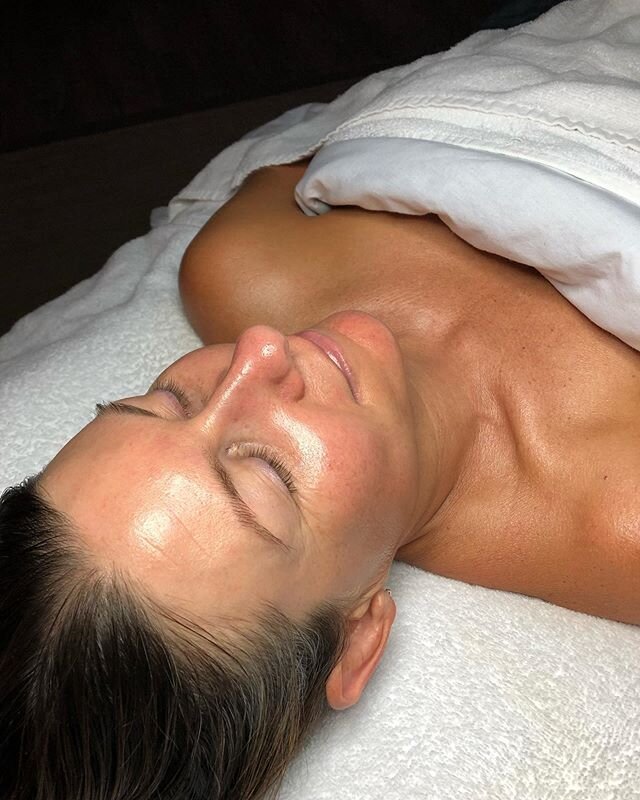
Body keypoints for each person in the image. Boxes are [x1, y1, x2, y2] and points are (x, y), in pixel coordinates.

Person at [1, 158, 638, 800]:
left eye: (165, 400)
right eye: (268, 472)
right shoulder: (620, 509)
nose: (258, 351)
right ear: (357, 638)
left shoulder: (238, 261)